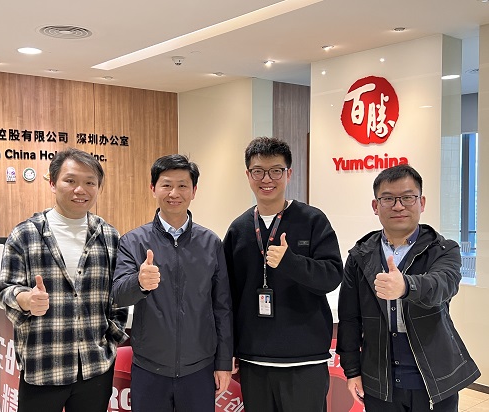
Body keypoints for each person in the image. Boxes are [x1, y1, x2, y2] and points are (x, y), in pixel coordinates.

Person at [337, 164, 480, 412]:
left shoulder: (443, 249)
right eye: (388, 199)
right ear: (375, 206)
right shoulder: (360, 255)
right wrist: (351, 371)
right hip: (379, 378)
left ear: (421, 203)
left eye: (407, 197)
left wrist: (406, 285)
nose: (398, 206)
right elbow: (349, 318)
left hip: (434, 376)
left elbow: (443, 285)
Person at [0, 148, 126, 412]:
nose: (81, 190)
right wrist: (26, 299)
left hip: (95, 368)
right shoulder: (25, 234)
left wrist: (110, 340)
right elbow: (6, 289)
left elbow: (117, 297)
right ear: (53, 183)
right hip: (43, 366)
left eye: (90, 182)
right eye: (70, 180)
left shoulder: (109, 236)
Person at [223, 137, 344, 412]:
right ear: (248, 175)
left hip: (304, 358)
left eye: (276, 171)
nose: (267, 179)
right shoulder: (239, 229)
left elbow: (332, 276)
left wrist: (291, 262)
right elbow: (227, 296)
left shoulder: (312, 220)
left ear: (289, 174)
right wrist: (227, 350)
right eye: (258, 171)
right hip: (254, 359)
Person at [112, 154, 233, 412]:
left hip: (199, 368)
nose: (174, 193)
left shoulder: (211, 243)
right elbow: (118, 295)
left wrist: (223, 362)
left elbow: (222, 307)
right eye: (166, 185)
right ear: (153, 188)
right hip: (149, 368)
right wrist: (138, 282)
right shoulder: (133, 241)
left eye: (182, 185)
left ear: (194, 191)